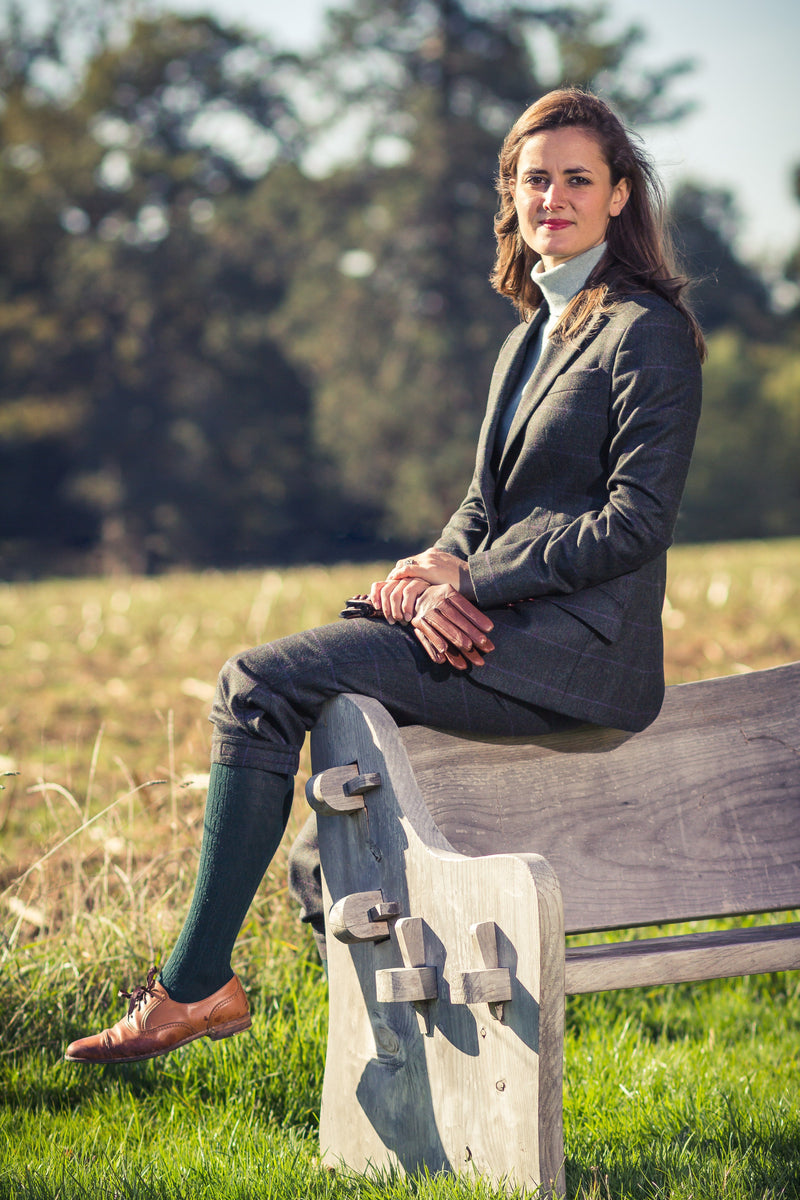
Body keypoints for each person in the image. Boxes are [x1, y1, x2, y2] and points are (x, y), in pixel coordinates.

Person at [65, 87, 704, 1064]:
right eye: (535, 179)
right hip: (503, 630)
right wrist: (422, 574)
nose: (554, 197)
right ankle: (369, 1015)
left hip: (582, 656)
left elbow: (632, 523)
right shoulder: (529, 335)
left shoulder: (642, 332)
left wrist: (470, 588)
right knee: (323, 690)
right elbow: (481, 509)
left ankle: (195, 987)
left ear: (619, 195)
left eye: (578, 178)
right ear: (511, 195)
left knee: (259, 682)